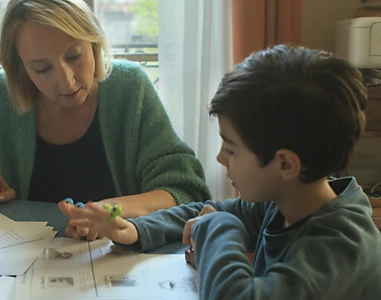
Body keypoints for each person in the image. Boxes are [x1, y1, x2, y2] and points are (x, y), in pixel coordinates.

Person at [68, 45, 381, 299]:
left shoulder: (339, 244)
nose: (219, 158)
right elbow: (211, 210)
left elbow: (233, 276)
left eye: (230, 149)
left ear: (285, 164)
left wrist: (219, 227)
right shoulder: (287, 201)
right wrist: (136, 230)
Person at [0, 0, 211, 240]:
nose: (67, 81)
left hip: (119, 265)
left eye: (74, 55)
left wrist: (111, 211)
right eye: (43, 69)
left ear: (94, 42)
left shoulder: (131, 89)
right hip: (23, 271)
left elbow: (184, 191)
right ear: (20, 67)